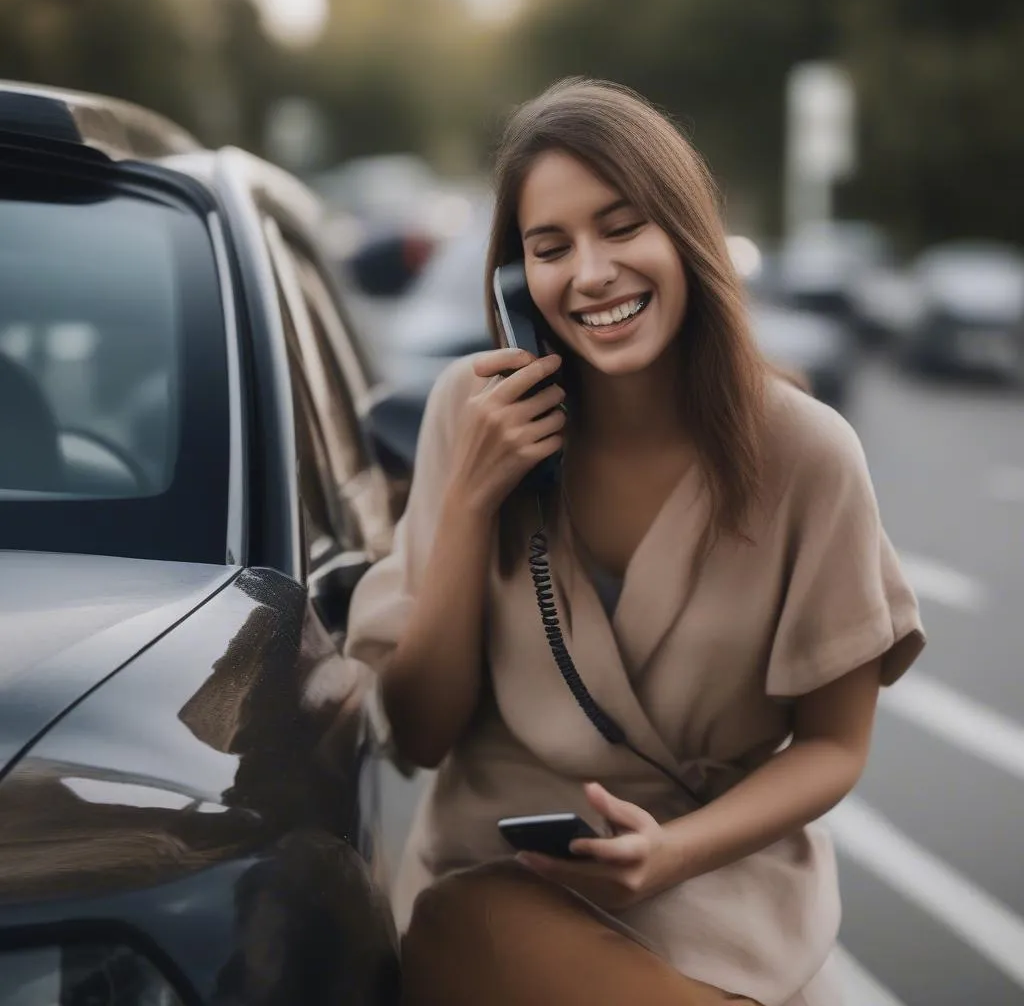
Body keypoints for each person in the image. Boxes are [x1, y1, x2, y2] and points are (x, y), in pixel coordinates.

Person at [343, 77, 926, 1006]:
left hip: (718, 886)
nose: (591, 273)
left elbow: (833, 746)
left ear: (686, 236)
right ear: (515, 281)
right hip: (498, 880)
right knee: (466, 934)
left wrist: (672, 855)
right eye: (549, 247)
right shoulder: (473, 410)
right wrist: (468, 501)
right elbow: (419, 733)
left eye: (623, 228)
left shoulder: (808, 452)